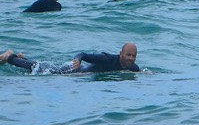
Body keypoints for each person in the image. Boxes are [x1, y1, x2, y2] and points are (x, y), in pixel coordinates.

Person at [0, 42, 139, 74]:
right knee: (37, 69)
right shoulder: (106, 59)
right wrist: (77, 60)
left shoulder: (132, 67)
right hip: (72, 71)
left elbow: (142, 73)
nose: (131, 58)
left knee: (40, 67)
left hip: (80, 73)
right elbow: (83, 54)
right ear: (121, 53)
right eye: (128, 55)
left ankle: (21, 57)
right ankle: (10, 57)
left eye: (133, 56)